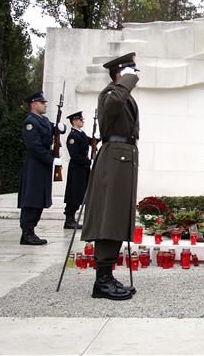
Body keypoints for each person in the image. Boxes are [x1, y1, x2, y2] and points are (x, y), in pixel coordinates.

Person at [81, 52, 140, 301]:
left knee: (117, 219)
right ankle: (101, 281)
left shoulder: (122, 95)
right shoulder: (110, 93)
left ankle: (107, 275)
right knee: (109, 218)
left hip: (123, 159)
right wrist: (124, 82)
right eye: (131, 72)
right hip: (114, 160)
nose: (136, 76)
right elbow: (113, 105)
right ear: (119, 73)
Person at [17, 92, 65, 245]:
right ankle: (27, 233)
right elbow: (34, 146)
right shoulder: (30, 122)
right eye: (41, 102)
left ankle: (31, 230)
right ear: (33, 104)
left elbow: (55, 129)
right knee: (31, 198)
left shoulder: (43, 120)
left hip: (43, 164)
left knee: (39, 198)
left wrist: (60, 127)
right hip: (35, 164)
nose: (45, 104)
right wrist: (51, 159)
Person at [63, 111, 92, 229]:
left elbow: (91, 141)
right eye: (80, 120)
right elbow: (74, 155)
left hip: (83, 169)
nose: (82, 121)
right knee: (74, 194)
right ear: (74, 121)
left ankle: (71, 219)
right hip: (76, 169)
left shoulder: (81, 133)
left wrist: (98, 138)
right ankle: (69, 220)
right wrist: (89, 162)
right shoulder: (73, 136)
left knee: (79, 193)